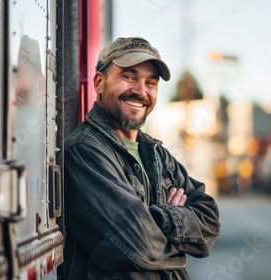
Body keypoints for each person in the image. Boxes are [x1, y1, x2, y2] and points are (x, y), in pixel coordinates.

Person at [63, 37, 220, 279]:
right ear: (99, 82)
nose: (141, 91)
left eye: (151, 82)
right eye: (129, 77)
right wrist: (180, 232)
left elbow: (209, 220)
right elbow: (139, 246)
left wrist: (156, 217)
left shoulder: (158, 154)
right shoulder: (84, 151)